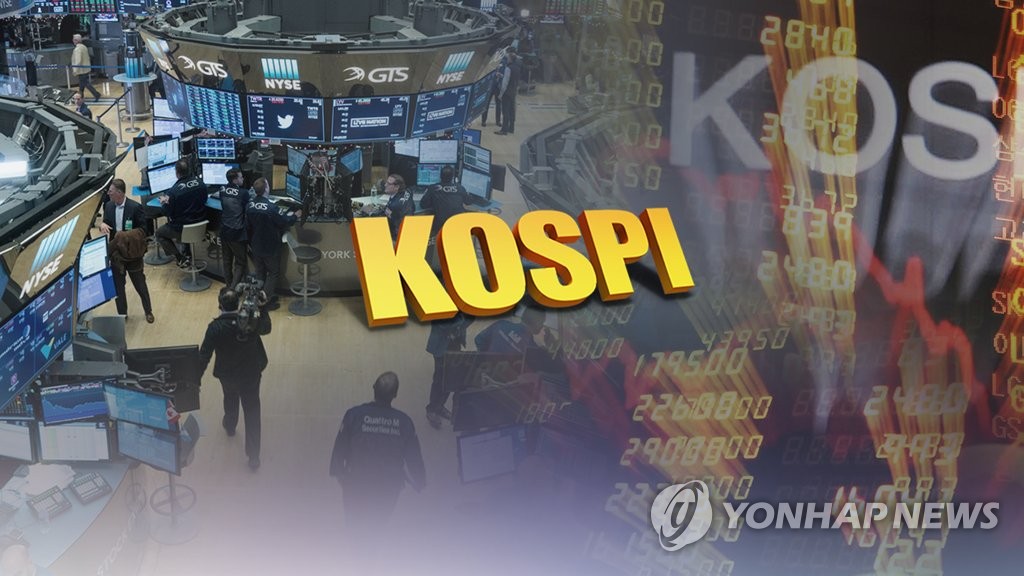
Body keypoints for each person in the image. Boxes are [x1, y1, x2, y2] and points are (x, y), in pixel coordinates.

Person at [330, 372, 426, 532]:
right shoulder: (404, 422)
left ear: (373, 388)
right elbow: (414, 456)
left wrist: (339, 472)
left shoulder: (354, 415)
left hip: (356, 483)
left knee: (353, 523)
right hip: (388, 487)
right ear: (395, 395)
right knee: (379, 523)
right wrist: (420, 480)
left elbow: (341, 445)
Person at [199, 287, 271, 470]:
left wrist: (195, 380)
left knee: (230, 397)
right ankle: (253, 457)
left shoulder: (215, 328)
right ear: (238, 304)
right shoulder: (251, 322)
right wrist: (263, 307)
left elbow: (204, 356)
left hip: (227, 374)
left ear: (220, 305)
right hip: (250, 374)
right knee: (252, 410)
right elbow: (266, 328)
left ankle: (230, 425)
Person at [99, 179, 155, 323]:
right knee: (118, 287)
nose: (108, 194)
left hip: (132, 253)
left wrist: (125, 236)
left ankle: (148, 311)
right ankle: (122, 315)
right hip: (117, 254)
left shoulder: (135, 207)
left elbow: (144, 230)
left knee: (140, 284)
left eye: (110, 191)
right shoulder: (109, 206)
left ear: (119, 193)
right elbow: (106, 223)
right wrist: (102, 224)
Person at [246, 177, 300, 310]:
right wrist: (295, 215)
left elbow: (248, 227)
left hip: (255, 245)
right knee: (273, 272)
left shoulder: (249, 206)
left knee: (260, 272)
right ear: (266, 189)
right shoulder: (271, 208)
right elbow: (284, 222)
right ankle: (265, 299)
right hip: (270, 246)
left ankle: (258, 297)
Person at [156, 159, 208, 269]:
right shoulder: (201, 184)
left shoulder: (173, 192)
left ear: (177, 173)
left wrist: (164, 202)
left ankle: (180, 258)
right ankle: (187, 251)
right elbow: (204, 200)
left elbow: (166, 212)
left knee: (159, 233)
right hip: (201, 226)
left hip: (182, 229)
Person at [425, 313, 473, 429]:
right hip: (440, 346)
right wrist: (459, 323)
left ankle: (439, 406)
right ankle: (432, 409)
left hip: (455, 343)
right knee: (439, 378)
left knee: (450, 377)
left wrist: (459, 328)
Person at [419, 165, 488, 238]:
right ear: (452, 177)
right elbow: (468, 202)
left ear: (440, 176)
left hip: (440, 226)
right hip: (457, 224)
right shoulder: (460, 188)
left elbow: (423, 205)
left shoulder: (433, 188)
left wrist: (432, 200)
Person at [219, 168, 254, 288]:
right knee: (240, 262)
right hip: (237, 232)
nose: (243, 178)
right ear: (235, 180)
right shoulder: (243, 193)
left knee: (227, 260)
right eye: (240, 177)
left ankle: (228, 285)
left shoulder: (222, 190)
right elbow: (247, 208)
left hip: (224, 230)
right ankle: (233, 289)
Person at [475, 306, 551, 355]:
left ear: (523, 316)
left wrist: (486, 359)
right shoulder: (531, 349)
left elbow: (478, 339)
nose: (542, 326)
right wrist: (544, 347)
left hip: (483, 371)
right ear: (537, 322)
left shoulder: (501, 324)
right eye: (542, 322)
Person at [496, 48, 521, 135]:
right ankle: (511, 128)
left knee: (505, 111)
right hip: (513, 92)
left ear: (510, 59)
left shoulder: (508, 68)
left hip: (506, 93)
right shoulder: (517, 68)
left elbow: (505, 83)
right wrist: (502, 76)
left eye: (508, 58)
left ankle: (504, 130)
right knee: (512, 111)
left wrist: (501, 94)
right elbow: (513, 79)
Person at [383, 173, 414, 238]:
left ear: (397, 187)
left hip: (397, 236)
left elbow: (387, 222)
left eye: (388, 184)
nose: (385, 185)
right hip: (409, 230)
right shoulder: (408, 191)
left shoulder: (394, 206)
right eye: (386, 182)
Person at [71, 34, 99, 102]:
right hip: (86, 69)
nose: (73, 41)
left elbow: (78, 61)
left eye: (73, 39)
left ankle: (96, 94)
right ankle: (81, 97)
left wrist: (75, 70)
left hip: (81, 70)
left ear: (76, 40)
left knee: (85, 83)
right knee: (82, 85)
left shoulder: (77, 49)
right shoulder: (84, 47)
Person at [481, 59, 504, 128]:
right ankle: (483, 121)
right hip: (490, 87)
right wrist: (495, 74)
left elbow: (505, 74)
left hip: (498, 87)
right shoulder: (490, 63)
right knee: (486, 104)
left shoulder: (503, 62)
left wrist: (501, 75)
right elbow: (486, 73)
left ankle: (498, 121)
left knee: (499, 105)